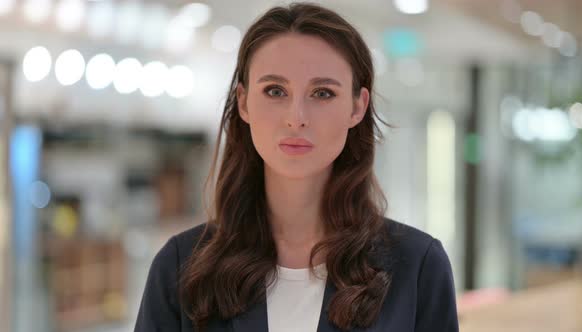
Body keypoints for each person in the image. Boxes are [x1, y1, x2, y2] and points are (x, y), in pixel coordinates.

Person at [134, 2, 458, 331]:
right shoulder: (181, 266)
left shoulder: (418, 267)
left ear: (357, 107)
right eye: (275, 91)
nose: (296, 118)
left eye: (322, 93)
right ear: (244, 102)